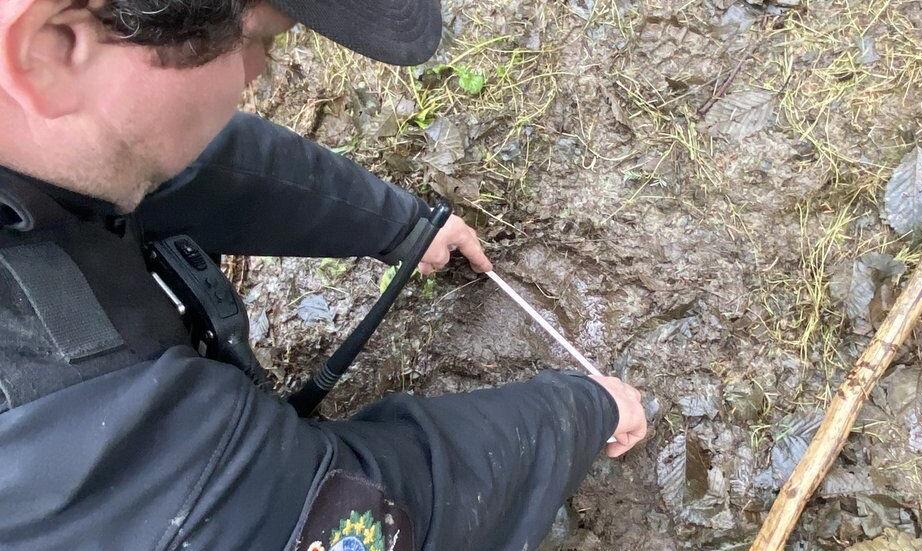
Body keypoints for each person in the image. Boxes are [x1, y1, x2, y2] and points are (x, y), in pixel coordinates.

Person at [0, 0, 648, 550]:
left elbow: (185, 161)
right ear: (53, 46)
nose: (257, 72)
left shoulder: (54, 130)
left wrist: (401, 226)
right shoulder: (73, 430)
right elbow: (382, 513)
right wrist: (583, 410)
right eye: (258, 39)